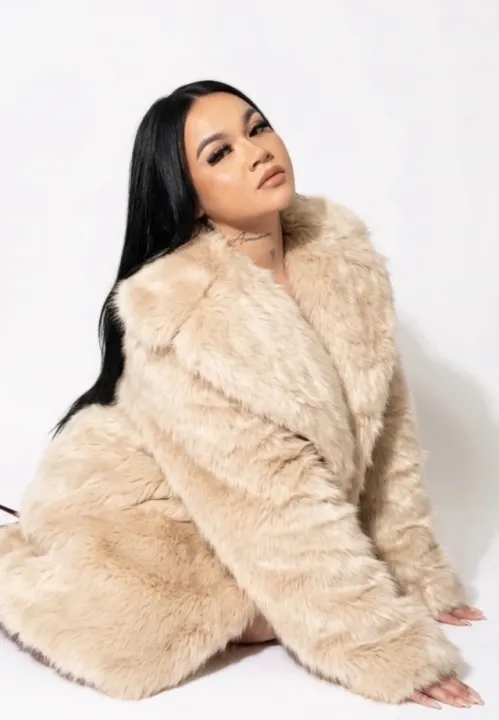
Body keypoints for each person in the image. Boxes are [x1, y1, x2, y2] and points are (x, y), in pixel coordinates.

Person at [0, 80, 485, 709]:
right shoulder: (182, 318)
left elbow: (387, 436)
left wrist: (416, 576)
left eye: (257, 128)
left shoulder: (344, 261)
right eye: (220, 153)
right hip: (138, 515)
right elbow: (275, 506)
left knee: (271, 612)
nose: (257, 152)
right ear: (192, 200)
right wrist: (384, 648)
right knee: (149, 637)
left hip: (241, 513)